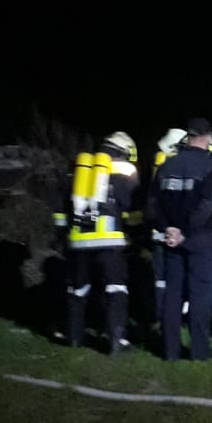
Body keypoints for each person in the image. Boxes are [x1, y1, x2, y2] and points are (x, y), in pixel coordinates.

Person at [54, 130, 141, 353]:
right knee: (115, 288)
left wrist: (62, 235)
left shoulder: (80, 167)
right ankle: (116, 340)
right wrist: (134, 230)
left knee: (77, 290)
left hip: (78, 240)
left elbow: (61, 207)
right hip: (110, 240)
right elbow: (130, 205)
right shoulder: (126, 169)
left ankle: (74, 338)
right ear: (125, 151)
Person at [147, 117, 212, 361]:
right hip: (200, 239)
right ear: (208, 137)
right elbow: (208, 206)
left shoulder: (167, 165)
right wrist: (185, 233)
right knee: (201, 295)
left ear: (187, 137)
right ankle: (200, 352)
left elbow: (152, 206)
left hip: (170, 240)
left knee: (173, 295)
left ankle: (170, 351)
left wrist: (168, 228)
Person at [149, 127, 187, 326]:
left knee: (160, 279)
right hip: (180, 234)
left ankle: (161, 316)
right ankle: (180, 315)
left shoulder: (159, 166)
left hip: (159, 233)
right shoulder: (184, 167)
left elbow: (152, 203)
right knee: (180, 276)